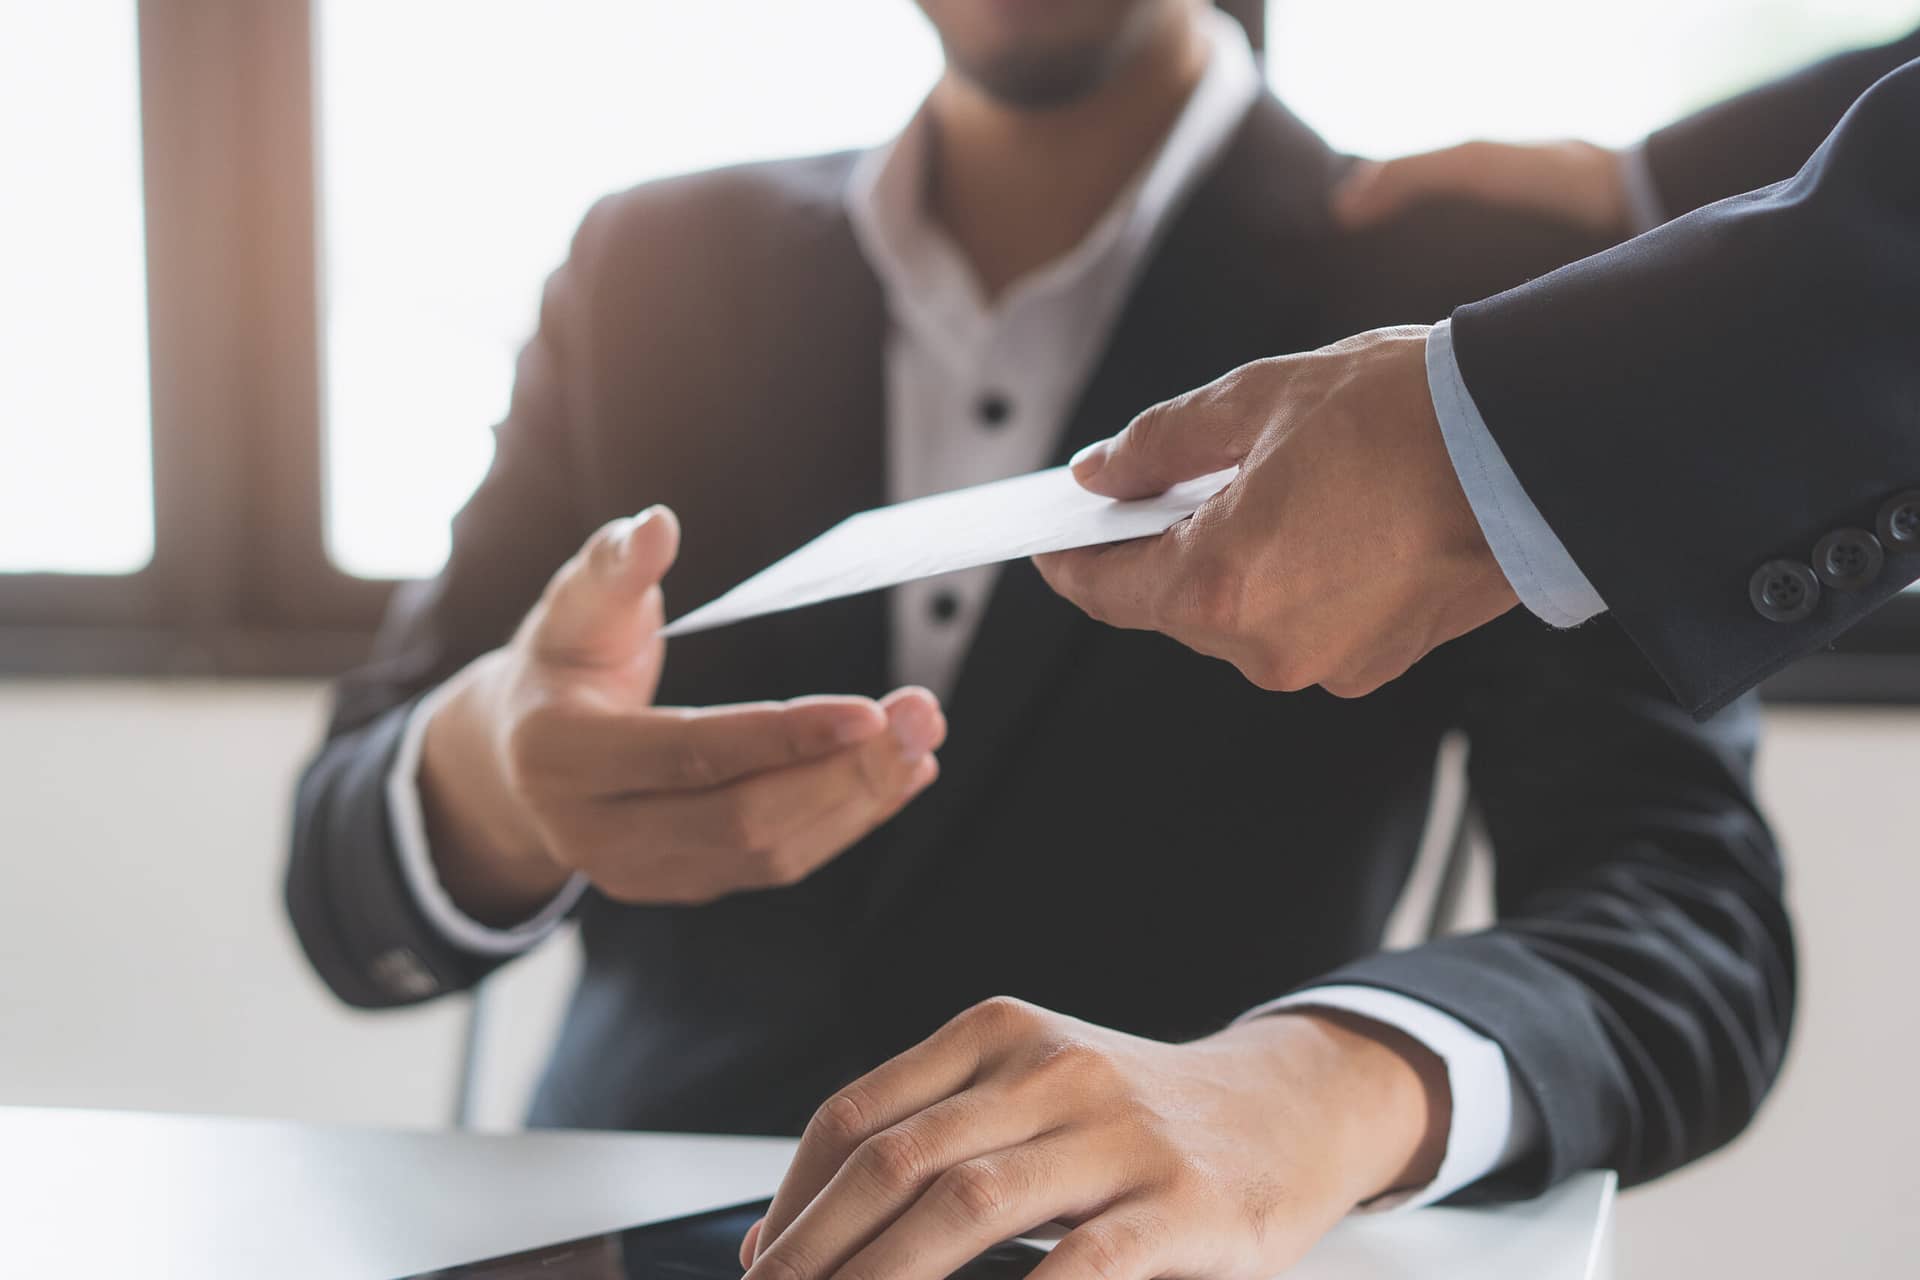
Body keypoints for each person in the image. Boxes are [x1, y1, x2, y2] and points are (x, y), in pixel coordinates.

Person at [286, 3, 1793, 1276]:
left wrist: (1308, 1093)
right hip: (617, 1234)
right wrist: (485, 783)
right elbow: (341, 873)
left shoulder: (1486, 289)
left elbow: (1687, 924)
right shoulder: (650, 264)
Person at [1039, 26, 1920, 717]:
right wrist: (1657, 181)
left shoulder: (1461, 265)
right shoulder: (1551, 245)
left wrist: (1490, 445)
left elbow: (1664, 875)